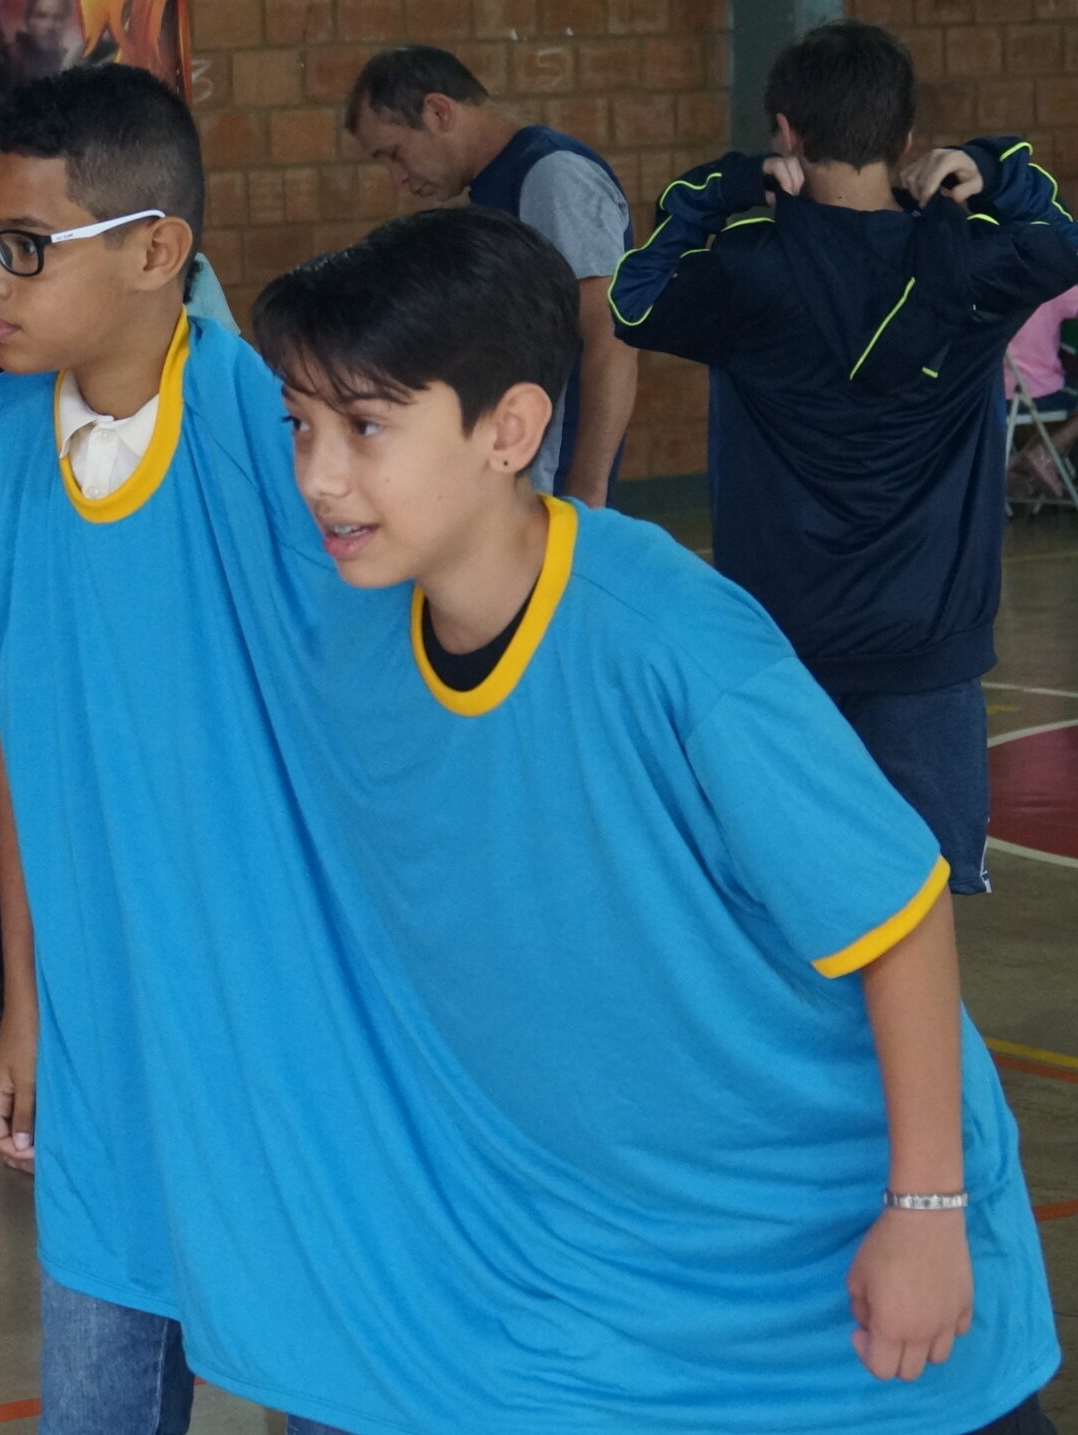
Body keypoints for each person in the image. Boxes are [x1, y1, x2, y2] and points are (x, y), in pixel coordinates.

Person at [243, 202, 1060, 1435]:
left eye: (364, 426)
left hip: (843, 1242)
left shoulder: (673, 641)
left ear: (510, 429)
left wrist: (926, 1211)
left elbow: (899, 918)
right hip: (613, 1278)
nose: (317, 474)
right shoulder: (352, 643)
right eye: (299, 424)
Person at [0, 63, 286, 1434]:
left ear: (157, 252)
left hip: (276, 1017)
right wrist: (25, 1003)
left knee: (330, 1365)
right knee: (97, 1388)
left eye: (28, 247)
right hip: (100, 1022)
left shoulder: (270, 434)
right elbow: (15, 738)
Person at [609, 20, 1078, 899]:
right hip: (930, 655)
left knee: (785, 906)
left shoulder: (750, 266)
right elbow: (1061, 241)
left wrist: (723, 188)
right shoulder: (973, 258)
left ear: (786, 132)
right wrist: (994, 169)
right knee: (919, 914)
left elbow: (632, 300)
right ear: (907, 140)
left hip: (782, 652)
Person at [344, 45, 634, 507]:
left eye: (395, 154)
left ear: (438, 112)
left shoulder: (552, 176)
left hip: (555, 476)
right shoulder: (493, 188)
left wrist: (588, 491)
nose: (398, 177)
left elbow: (612, 338)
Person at [1005, 284, 1078, 492]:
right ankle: (1043, 454)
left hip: (991, 397)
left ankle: (1016, 464)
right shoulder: (1051, 283)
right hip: (1037, 392)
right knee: (1068, 402)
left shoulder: (991, 280)